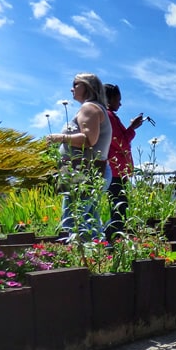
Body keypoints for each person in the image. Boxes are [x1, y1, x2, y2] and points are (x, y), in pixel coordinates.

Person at [46, 73, 111, 239]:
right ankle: (100, 252)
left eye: (75, 84)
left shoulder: (89, 108)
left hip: (84, 171)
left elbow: (89, 139)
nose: (71, 89)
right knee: (90, 220)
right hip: (93, 170)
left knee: (73, 220)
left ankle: (81, 253)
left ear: (88, 86)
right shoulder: (96, 108)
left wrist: (59, 137)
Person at [103, 83, 144, 242]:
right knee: (119, 209)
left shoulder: (109, 116)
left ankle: (110, 241)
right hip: (115, 170)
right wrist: (132, 127)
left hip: (116, 170)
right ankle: (108, 241)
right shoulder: (109, 116)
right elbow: (121, 143)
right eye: (118, 100)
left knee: (119, 208)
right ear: (109, 99)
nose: (120, 104)